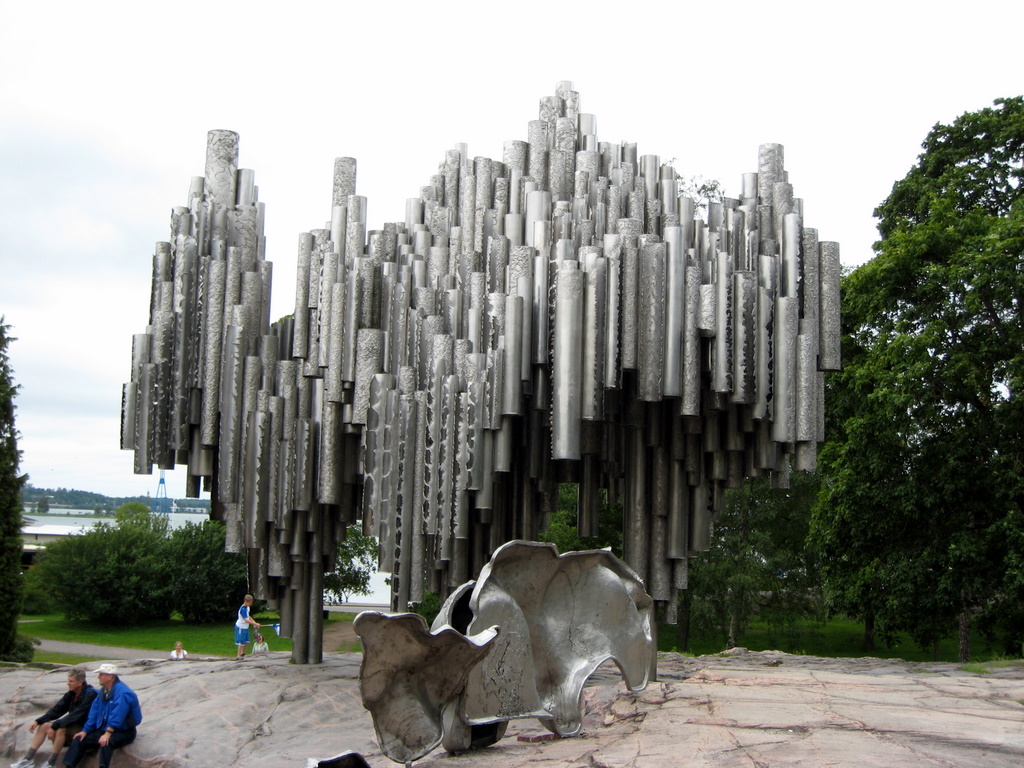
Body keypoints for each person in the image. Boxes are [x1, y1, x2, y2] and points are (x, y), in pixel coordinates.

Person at [11, 669, 96, 768]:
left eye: (71, 681)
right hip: (72, 725)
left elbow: (76, 715)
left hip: (84, 729)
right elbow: (57, 710)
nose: (68, 683)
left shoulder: (90, 695)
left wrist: (55, 726)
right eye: (68, 681)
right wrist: (38, 721)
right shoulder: (71, 694)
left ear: (80, 682)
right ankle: (27, 760)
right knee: (44, 726)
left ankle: (51, 763)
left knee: (61, 728)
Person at [62, 663, 142, 768]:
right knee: (79, 740)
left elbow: (118, 714)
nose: (98, 677)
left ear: (110, 677)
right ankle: (68, 765)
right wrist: (85, 731)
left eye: (101, 674)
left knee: (106, 743)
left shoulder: (123, 693)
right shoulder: (103, 692)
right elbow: (94, 712)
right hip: (105, 729)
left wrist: (108, 733)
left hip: (124, 731)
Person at [235, 594, 261, 659]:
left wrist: (253, 621)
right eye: (250, 603)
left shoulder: (247, 608)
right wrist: (254, 624)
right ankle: (238, 655)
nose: (251, 604)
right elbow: (246, 620)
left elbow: (248, 616)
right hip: (241, 627)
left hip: (245, 627)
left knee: (247, 641)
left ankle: (242, 653)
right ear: (246, 601)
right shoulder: (243, 609)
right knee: (241, 642)